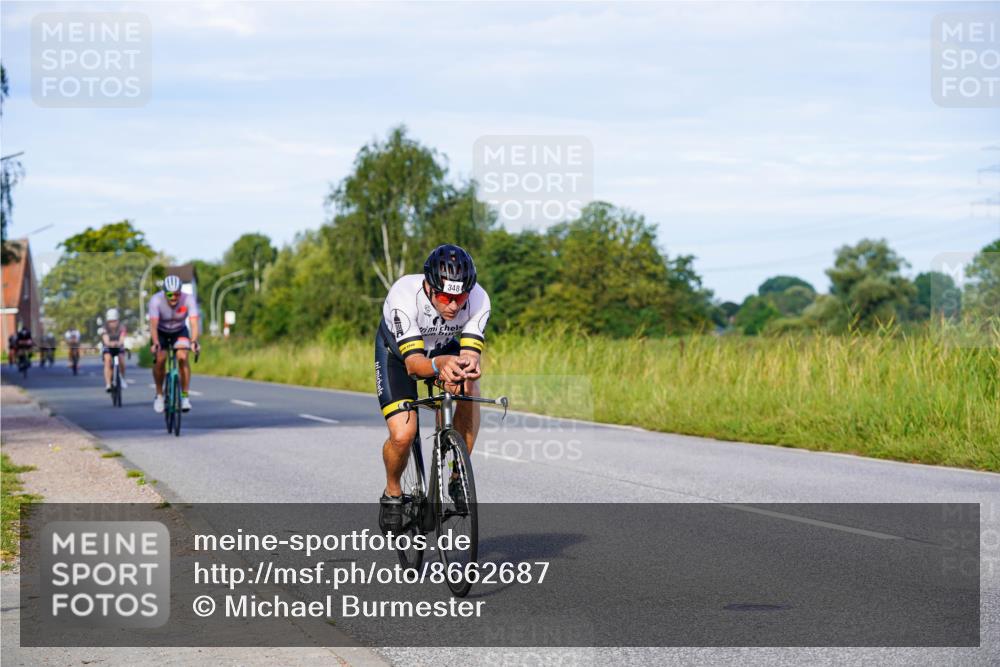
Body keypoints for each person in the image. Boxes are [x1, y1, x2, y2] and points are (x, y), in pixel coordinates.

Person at [375, 244, 490, 532]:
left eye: (460, 297)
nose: (453, 305)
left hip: (443, 349)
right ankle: (392, 492)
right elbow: (414, 364)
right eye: (445, 297)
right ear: (429, 287)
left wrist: (466, 367)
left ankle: (456, 475)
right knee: (403, 435)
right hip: (399, 356)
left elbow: (470, 355)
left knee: (469, 387)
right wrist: (441, 365)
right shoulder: (404, 296)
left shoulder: (478, 298)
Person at [148, 275, 200, 413]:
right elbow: (153, 326)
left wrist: (194, 341)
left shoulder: (188, 299)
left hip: (179, 331)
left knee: (182, 356)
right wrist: (155, 343)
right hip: (160, 331)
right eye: (170, 294)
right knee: (160, 359)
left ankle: (184, 397)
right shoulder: (156, 300)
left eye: (177, 294)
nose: (173, 298)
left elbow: (194, 323)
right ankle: (159, 395)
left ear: (180, 292)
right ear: (164, 292)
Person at [101, 308, 128, 392]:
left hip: (118, 346)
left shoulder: (122, 327)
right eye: (110, 321)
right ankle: (108, 384)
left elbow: (122, 338)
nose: (112, 323)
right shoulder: (104, 328)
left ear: (117, 320)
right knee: (107, 360)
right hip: (108, 347)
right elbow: (105, 339)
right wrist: (110, 344)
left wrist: (119, 343)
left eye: (114, 321)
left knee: (122, 360)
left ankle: (122, 378)